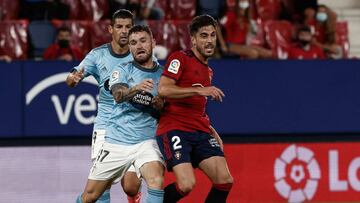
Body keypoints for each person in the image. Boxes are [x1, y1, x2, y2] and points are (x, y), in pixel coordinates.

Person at [76, 24, 165, 203]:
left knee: (156, 180)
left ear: (153, 43)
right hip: (117, 141)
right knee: (90, 196)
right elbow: (118, 95)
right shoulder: (122, 70)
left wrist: (160, 105)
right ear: (129, 47)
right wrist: (137, 88)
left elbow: (172, 109)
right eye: (133, 43)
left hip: (147, 141)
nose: (139, 46)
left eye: (143, 41)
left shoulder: (164, 77)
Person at [66, 9, 142, 203]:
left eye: (128, 27)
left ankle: (134, 196)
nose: (124, 31)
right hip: (105, 127)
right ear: (111, 29)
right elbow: (73, 75)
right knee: (101, 187)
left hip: (133, 126)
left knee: (131, 187)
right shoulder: (97, 55)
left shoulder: (141, 55)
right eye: (119, 27)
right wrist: (72, 79)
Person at [156, 14, 233, 203]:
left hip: (200, 130)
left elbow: (198, 106)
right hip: (175, 128)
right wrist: (199, 92)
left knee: (224, 180)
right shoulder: (179, 58)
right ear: (193, 39)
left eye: (213, 35)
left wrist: (211, 129)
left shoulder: (208, 70)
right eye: (204, 35)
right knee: (186, 185)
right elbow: (163, 89)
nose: (209, 40)